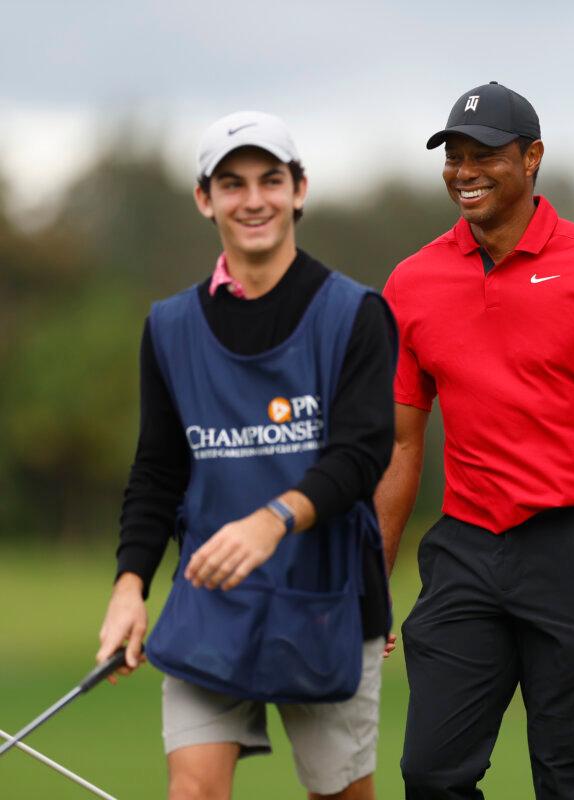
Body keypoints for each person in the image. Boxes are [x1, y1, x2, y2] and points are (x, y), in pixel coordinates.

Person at [378, 81, 574, 799]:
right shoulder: (412, 282)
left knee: (569, 783)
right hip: (467, 548)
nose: (464, 171)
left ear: (532, 157)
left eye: (485, 155)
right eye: (454, 156)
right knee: (430, 774)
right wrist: (366, 579)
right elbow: (400, 447)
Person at [95, 111, 398, 800]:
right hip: (212, 606)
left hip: (327, 601)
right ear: (206, 199)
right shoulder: (169, 327)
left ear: (300, 189)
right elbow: (157, 472)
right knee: (192, 791)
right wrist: (129, 587)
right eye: (232, 184)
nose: (253, 199)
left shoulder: (355, 313)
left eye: (270, 180)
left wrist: (272, 520)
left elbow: (360, 455)